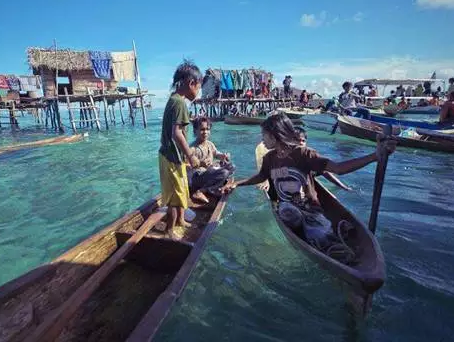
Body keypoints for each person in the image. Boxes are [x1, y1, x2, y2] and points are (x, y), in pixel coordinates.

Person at [223, 113, 396, 259]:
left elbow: (338, 169)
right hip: (287, 207)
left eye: (264, 135)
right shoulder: (269, 158)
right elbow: (261, 176)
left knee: (327, 240)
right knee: (288, 212)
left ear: (275, 136)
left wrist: (375, 156)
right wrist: (236, 184)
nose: (262, 139)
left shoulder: (304, 154)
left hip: (311, 210)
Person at [159, 60, 203, 238]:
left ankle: (181, 221)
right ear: (190, 83)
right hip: (171, 157)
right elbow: (177, 133)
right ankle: (170, 230)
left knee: (181, 191)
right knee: (175, 198)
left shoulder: (174, 100)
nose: (198, 92)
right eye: (198, 87)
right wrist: (190, 154)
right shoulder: (180, 103)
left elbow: (178, 130)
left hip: (172, 156)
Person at [188, 117, 235, 203]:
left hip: (208, 174)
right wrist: (200, 164)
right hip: (197, 178)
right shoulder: (192, 148)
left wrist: (224, 156)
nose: (205, 132)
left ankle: (212, 187)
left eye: (207, 129)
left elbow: (216, 153)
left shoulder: (209, 144)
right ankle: (201, 191)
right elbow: (184, 165)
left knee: (231, 166)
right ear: (195, 131)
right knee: (224, 173)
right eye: (202, 129)